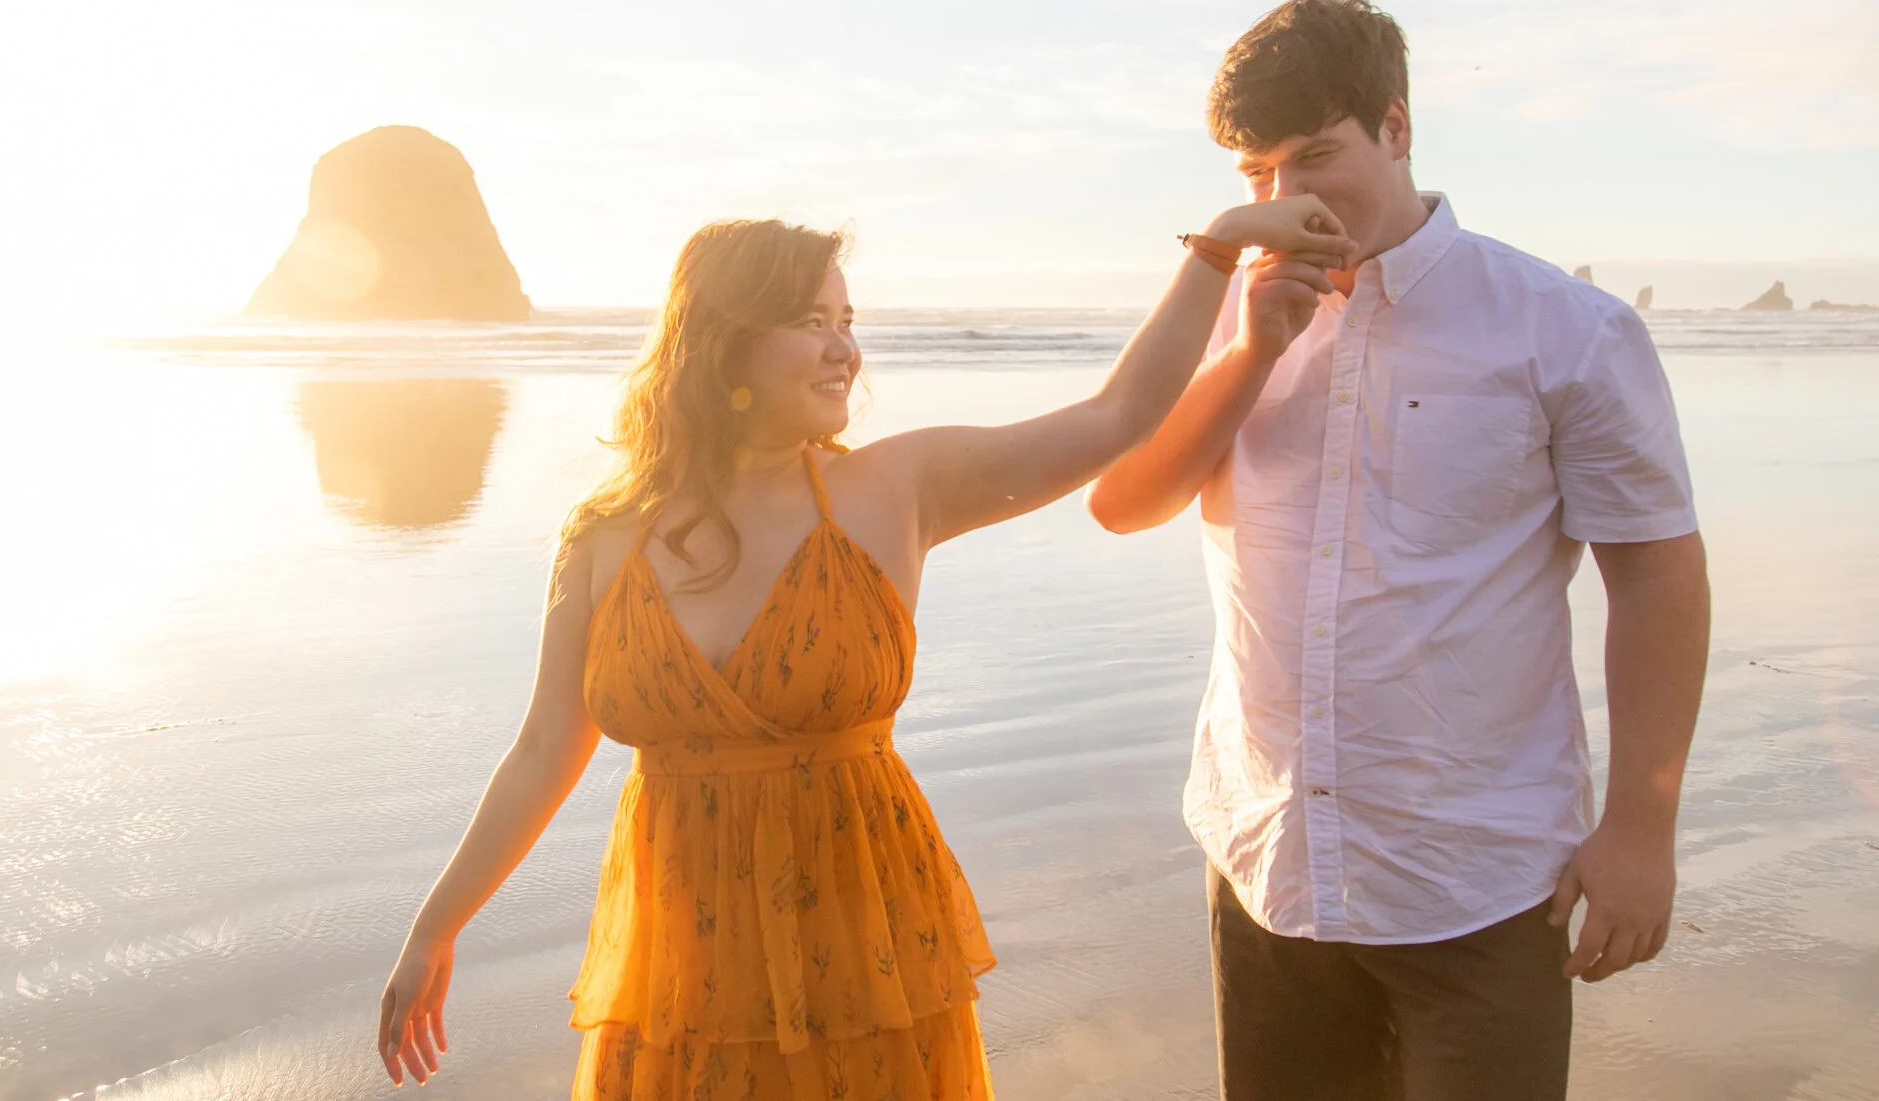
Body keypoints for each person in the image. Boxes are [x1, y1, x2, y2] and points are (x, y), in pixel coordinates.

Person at [376, 205, 1356, 1098]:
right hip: (682, 960)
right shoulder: (602, 534)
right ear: (722, 342)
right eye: (811, 321)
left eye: (847, 321)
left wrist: (1216, 251)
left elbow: (1113, 419)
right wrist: (436, 925)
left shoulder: (900, 487)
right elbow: (547, 746)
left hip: (863, 952)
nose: (844, 348)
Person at [1088, 0, 1713, 1101]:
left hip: (1471, 877)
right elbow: (1123, 500)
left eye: (1312, 156)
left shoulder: (1561, 328)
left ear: (1396, 127)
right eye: (1253, 174)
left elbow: (1656, 575)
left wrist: (1640, 827)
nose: (1283, 198)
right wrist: (1247, 353)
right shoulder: (1232, 309)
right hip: (1265, 863)